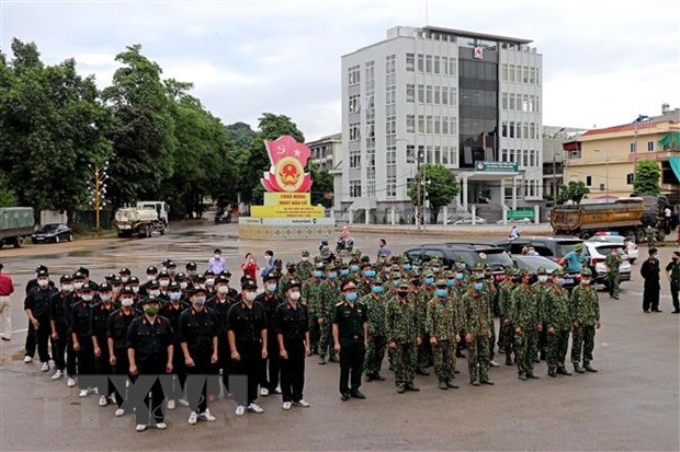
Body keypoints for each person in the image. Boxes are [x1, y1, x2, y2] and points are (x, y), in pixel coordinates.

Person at [127, 297, 174, 432]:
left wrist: (170, 361)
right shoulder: (136, 323)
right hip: (143, 364)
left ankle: (158, 419)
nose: (152, 307)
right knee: (142, 393)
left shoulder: (165, 322)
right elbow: (130, 346)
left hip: (160, 363)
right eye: (149, 305)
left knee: (159, 393)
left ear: (158, 306)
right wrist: (132, 364)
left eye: (154, 304)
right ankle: (142, 420)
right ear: (144, 307)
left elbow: (170, 344)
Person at [227, 278, 268, 416]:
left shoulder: (259, 307)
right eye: (248, 290)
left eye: (253, 290)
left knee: (254, 374)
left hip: (255, 345)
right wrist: (233, 350)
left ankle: (251, 401)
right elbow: (230, 330)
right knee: (240, 374)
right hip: (241, 346)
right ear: (242, 292)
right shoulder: (235, 309)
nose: (251, 293)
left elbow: (263, 328)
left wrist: (264, 347)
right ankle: (240, 402)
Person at [180, 287, 219, 425]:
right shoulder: (185, 316)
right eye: (197, 295)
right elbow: (182, 338)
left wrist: (215, 352)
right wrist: (187, 356)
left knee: (205, 383)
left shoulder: (211, 314)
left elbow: (215, 335)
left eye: (202, 295)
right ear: (191, 298)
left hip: (207, 353)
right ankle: (193, 411)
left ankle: (204, 410)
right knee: (193, 384)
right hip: (192, 354)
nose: (200, 297)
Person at [275, 279, 311, 410]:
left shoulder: (302, 308)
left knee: (299, 373)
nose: (295, 293)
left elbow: (306, 328)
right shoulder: (281, 309)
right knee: (286, 373)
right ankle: (287, 398)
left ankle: (298, 397)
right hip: (286, 344)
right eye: (292, 290)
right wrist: (282, 348)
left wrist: (307, 345)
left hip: (299, 344)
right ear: (286, 293)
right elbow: (278, 330)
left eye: (297, 290)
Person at [332, 281, 368, 401]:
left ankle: (355, 388)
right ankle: (344, 390)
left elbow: (364, 323)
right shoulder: (339, 307)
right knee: (345, 367)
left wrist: (365, 340)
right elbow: (335, 325)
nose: (352, 293)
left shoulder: (361, 306)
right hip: (346, 341)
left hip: (359, 340)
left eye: (353, 291)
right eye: (349, 291)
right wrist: (336, 342)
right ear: (344, 293)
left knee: (358, 366)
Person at [107, 288, 139, 417]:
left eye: (129, 296)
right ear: (120, 298)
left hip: (136, 352)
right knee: (119, 379)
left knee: (135, 379)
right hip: (119, 351)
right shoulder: (113, 316)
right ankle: (121, 405)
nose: (127, 299)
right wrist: (111, 354)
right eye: (124, 296)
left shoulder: (138, 315)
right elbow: (110, 336)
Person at [385, 282, 421, 394]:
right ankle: (400, 383)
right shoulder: (391, 303)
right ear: (397, 289)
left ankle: (409, 381)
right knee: (399, 362)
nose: (403, 290)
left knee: (412, 361)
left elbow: (416, 320)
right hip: (398, 339)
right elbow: (388, 323)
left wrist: (418, 335)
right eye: (401, 288)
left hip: (411, 337)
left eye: (405, 288)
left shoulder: (411, 303)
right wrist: (390, 339)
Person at [426, 280, 459, 390]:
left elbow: (455, 318)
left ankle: (449, 378)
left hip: (450, 335)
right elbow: (429, 321)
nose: (442, 289)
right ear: (436, 289)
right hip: (438, 336)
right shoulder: (431, 304)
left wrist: (457, 333)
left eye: (443, 287)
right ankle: (441, 380)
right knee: (439, 360)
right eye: (439, 287)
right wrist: (432, 336)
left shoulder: (451, 302)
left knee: (450, 359)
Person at [462, 274, 494, 386]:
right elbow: (463, 317)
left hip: (483, 330)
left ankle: (484, 376)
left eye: (480, 281)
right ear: (471, 283)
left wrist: (488, 328)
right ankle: (474, 378)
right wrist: (467, 332)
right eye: (476, 281)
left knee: (485, 355)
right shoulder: (466, 298)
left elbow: (487, 312)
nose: (479, 283)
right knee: (473, 356)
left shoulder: (484, 296)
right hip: (472, 331)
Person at [256, 272, 284, 396]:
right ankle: (263, 384)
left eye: (274, 282)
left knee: (275, 361)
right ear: (264, 284)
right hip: (263, 335)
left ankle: (274, 384)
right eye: (270, 282)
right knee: (262, 361)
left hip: (276, 334)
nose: (272, 284)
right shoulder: (259, 300)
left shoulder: (279, 299)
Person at [510, 269, 541, 381]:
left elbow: (536, 308)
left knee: (532, 349)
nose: (530, 278)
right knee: (522, 349)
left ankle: (529, 370)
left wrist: (538, 322)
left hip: (532, 324)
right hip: (522, 325)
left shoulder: (533, 290)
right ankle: (522, 371)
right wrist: (517, 325)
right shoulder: (517, 292)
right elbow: (514, 310)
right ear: (523, 278)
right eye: (528, 276)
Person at [24, 268, 57, 372]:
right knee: (41, 342)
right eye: (41, 278)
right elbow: (27, 306)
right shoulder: (33, 291)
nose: (43, 280)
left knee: (55, 342)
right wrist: (32, 319)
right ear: (37, 280)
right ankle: (45, 361)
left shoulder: (54, 290)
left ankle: (57, 361)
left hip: (52, 321)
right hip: (39, 321)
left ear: (48, 278)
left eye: (45, 278)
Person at [570, 268, 601, 373]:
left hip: (590, 321)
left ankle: (587, 362)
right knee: (577, 343)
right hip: (580, 322)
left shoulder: (593, 290)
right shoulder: (576, 290)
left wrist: (598, 319)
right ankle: (576, 362)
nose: (586, 279)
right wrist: (573, 319)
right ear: (581, 277)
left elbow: (596, 305)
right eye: (584, 277)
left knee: (589, 343)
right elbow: (572, 306)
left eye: (588, 277)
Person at [543, 268, 572, 377]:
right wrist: (549, 325)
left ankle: (561, 366)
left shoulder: (564, 292)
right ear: (553, 279)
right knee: (552, 347)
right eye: (558, 277)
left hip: (564, 324)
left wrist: (569, 322)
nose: (561, 279)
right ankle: (551, 367)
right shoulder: (548, 293)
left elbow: (567, 308)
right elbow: (545, 310)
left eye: (562, 277)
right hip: (554, 325)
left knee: (563, 347)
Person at [362, 277, 388, 382]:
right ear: (371, 286)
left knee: (380, 353)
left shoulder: (384, 299)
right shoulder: (365, 299)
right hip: (370, 331)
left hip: (382, 330)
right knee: (369, 353)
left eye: (379, 285)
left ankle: (376, 370)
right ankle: (368, 372)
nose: (377, 287)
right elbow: (363, 317)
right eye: (375, 285)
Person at [640, 248, 661, 313]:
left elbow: (657, 269)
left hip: (656, 280)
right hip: (649, 281)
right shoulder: (646, 262)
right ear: (651, 254)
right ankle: (646, 308)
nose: (656, 255)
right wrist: (647, 277)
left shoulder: (657, 261)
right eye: (655, 254)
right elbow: (642, 271)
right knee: (648, 294)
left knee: (656, 294)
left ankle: (655, 307)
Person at [0, 262, 14, 341]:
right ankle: (7, 335)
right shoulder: (7, 278)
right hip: (7, 297)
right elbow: (11, 289)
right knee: (7, 317)